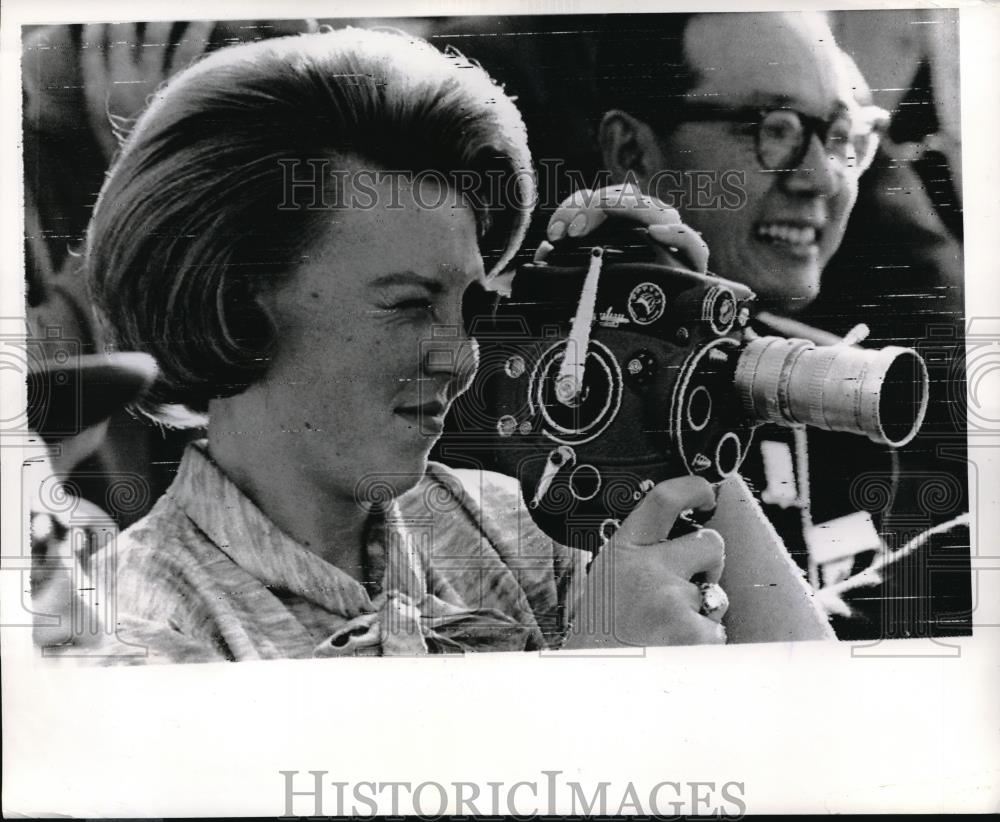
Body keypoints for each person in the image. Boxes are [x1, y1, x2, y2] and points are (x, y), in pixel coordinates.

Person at [49, 27, 729, 663]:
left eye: (468, 306)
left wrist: (672, 354)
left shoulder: (515, 532)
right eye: (407, 305)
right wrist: (592, 687)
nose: (459, 358)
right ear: (232, 302)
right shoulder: (128, 628)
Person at [589, 11, 969, 637]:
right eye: (773, 129)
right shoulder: (541, 393)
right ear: (632, 152)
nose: (821, 177)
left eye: (843, 136)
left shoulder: (836, 391)